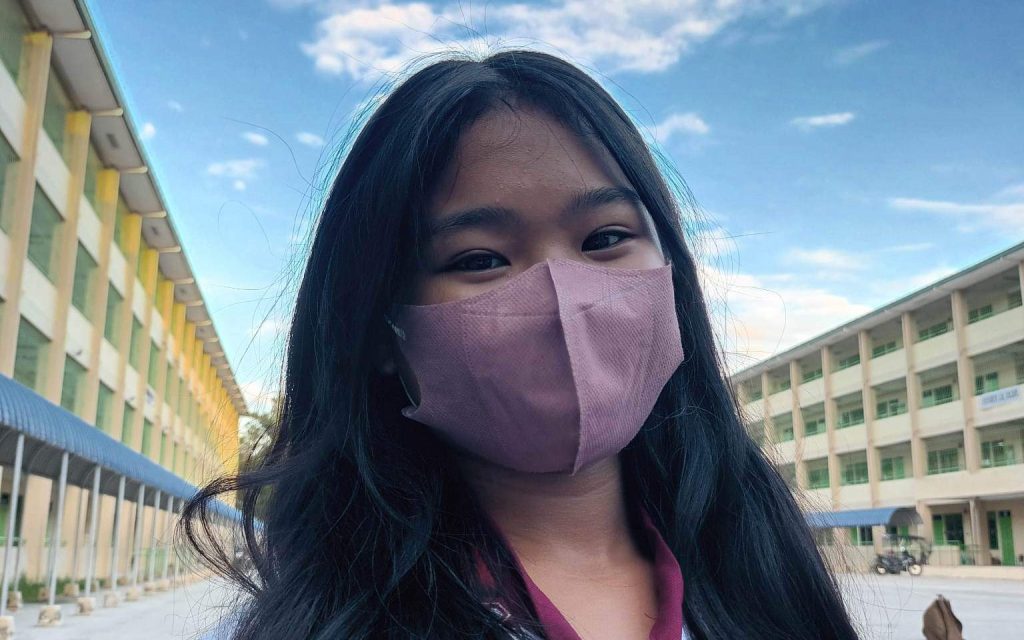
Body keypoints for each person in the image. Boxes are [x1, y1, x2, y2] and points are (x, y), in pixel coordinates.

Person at [184, 50, 860, 640]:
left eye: (605, 238)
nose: (563, 298)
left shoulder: (771, 577)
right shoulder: (308, 623)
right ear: (377, 329)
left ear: (672, 276)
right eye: (479, 259)